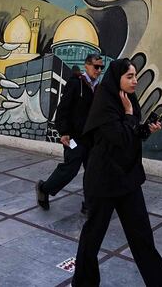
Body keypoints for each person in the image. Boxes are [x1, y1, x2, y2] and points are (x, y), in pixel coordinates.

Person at [73, 58, 162, 287]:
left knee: (143, 239)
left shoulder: (129, 100)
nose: (135, 80)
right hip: (103, 182)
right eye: (129, 76)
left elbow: (132, 135)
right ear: (116, 78)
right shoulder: (105, 103)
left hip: (127, 179)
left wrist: (146, 129)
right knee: (92, 239)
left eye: (135, 76)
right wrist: (128, 115)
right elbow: (118, 137)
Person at [37, 55, 103, 214]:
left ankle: (89, 204)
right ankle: (44, 188)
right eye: (96, 66)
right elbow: (63, 109)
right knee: (70, 169)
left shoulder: (99, 88)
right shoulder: (76, 83)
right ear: (87, 66)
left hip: (92, 138)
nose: (99, 70)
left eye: (101, 67)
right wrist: (64, 132)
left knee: (93, 171)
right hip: (75, 137)